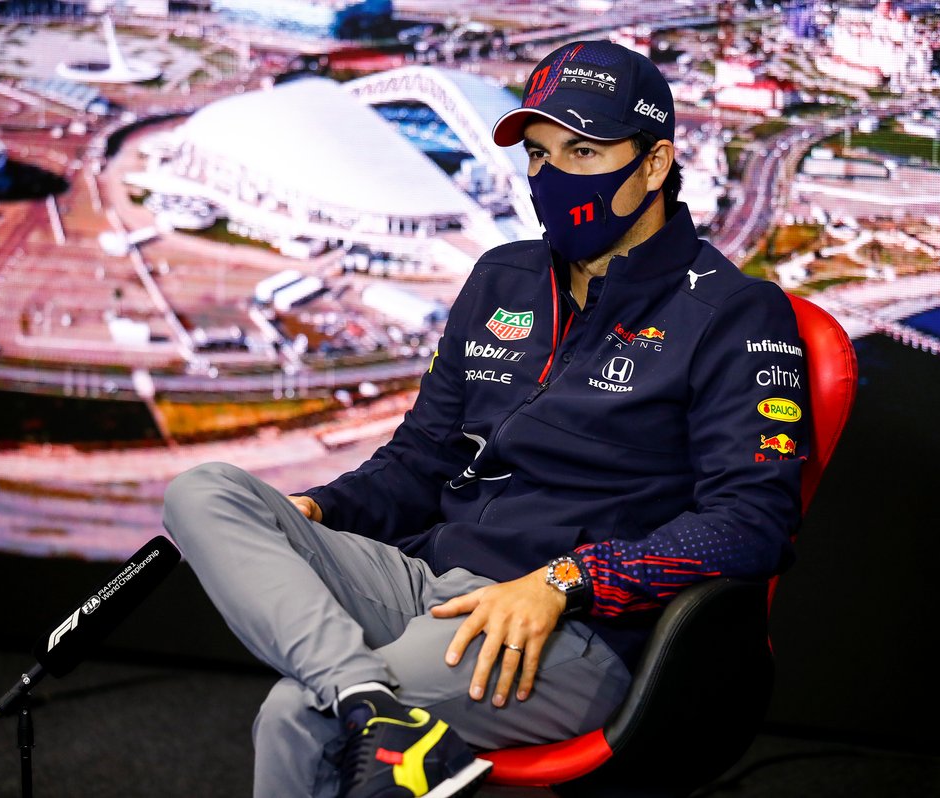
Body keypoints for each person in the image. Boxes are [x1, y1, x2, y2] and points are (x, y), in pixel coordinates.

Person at [163, 39, 809, 798]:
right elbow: (420, 458)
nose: (551, 175)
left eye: (583, 150)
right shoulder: (500, 275)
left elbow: (750, 524)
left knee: (295, 718)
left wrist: (569, 579)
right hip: (429, 576)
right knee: (205, 491)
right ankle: (371, 702)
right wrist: (320, 509)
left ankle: (360, 707)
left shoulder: (732, 311)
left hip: (567, 626)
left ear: (656, 164)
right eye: (538, 153)